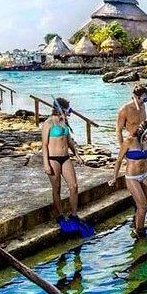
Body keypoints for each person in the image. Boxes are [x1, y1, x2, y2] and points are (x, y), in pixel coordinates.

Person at [41, 97, 91, 236]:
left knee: (73, 186)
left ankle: (74, 215)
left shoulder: (64, 122)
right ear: (60, 109)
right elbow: (44, 145)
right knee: (56, 188)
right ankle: (60, 215)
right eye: (67, 109)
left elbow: (69, 141)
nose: (69, 111)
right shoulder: (48, 123)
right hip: (53, 159)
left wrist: (77, 155)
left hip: (65, 158)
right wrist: (46, 163)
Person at [109, 120, 147, 238]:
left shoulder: (145, 142)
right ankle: (139, 232)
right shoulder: (129, 142)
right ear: (144, 131)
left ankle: (137, 227)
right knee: (142, 206)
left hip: (144, 175)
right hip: (132, 177)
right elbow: (119, 160)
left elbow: (145, 162)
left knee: (143, 205)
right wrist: (114, 178)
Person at [116, 85, 147, 210]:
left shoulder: (143, 107)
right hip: (132, 144)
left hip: (144, 143)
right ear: (137, 97)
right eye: (144, 99)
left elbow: (145, 126)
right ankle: (139, 204)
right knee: (137, 172)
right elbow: (118, 130)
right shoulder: (125, 109)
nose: (145, 101)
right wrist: (123, 148)